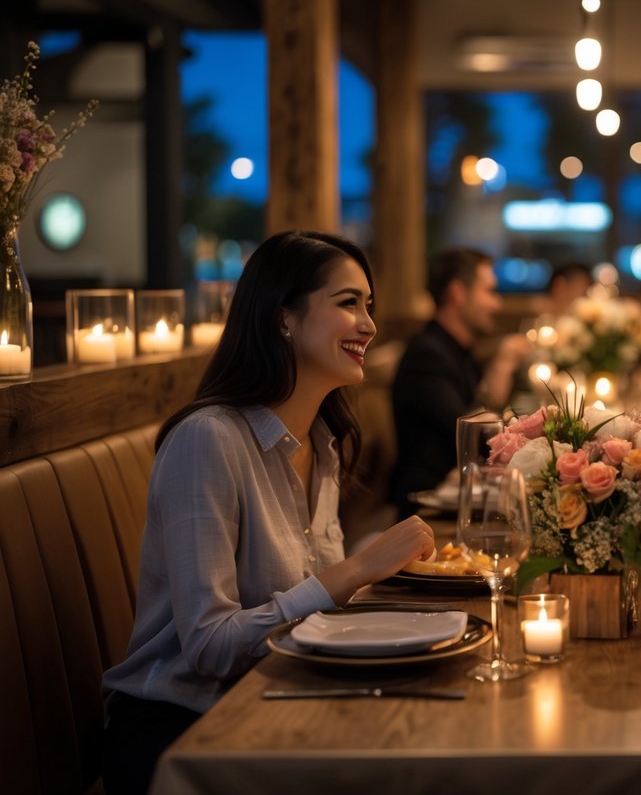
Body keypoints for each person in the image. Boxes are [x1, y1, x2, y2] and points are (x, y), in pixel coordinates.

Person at [100, 230, 437, 795]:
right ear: (284, 318)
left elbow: (312, 610)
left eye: (369, 306)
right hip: (180, 732)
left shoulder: (323, 442)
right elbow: (209, 647)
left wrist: (383, 576)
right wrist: (357, 569)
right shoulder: (207, 441)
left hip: (277, 697)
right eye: (348, 303)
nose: (369, 325)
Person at [391, 248, 530, 508]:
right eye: (488, 291)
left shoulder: (459, 350)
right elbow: (473, 434)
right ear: (457, 293)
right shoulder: (427, 354)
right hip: (427, 506)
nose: (496, 303)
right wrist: (501, 367)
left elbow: (484, 412)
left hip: (464, 494)